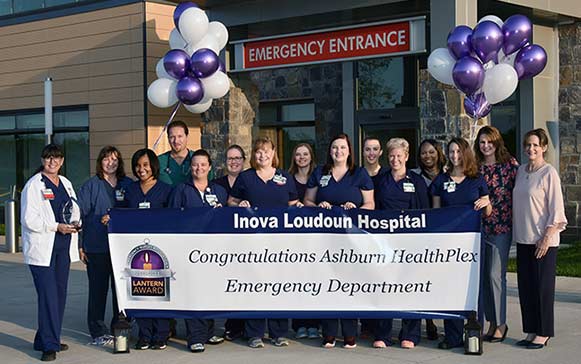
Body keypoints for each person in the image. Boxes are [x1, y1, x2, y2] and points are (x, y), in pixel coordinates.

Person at [228, 136, 300, 348]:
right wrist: (239, 203)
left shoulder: (284, 177)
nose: (263, 155)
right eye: (258, 151)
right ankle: (255, 333)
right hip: (253, 243)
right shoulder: (246, 177)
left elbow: (294, 203)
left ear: (273, 152)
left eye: (266, 151)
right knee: (255, 286)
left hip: (280, 243)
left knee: (278, 286)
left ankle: (278, 333)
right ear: (254, 155)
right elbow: (230, 201)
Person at [304, 133, 374, 349]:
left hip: (351, 241)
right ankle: (329, 333)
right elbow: (307, 200)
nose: (338, 151)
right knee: (328, 282)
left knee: (349, 284)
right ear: (330, 151)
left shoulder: (359, 173)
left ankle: (350, 333)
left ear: (349, 151)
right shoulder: (320, 172)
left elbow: (371, 203)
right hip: (326, 240)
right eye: (335, 148)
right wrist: (319, 206)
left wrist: (357, 210)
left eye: (342, 148)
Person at [430, 137, 492, 350]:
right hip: (448, 244)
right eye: (451, 152)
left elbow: (487, 211)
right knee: (450, 287)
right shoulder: (441, 180)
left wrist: (487, 202)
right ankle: (452, 335)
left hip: (472, 243)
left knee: (473, 286)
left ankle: (474, 330)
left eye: (458, 152)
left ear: (465, 153)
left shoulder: (477, 180)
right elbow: (436, 212)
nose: (455, 156)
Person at [21, 144, 80, 362]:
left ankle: (45, 337)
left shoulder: (65, 183)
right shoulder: (34, 185)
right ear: (42, 160)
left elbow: (74, 208)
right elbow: (28, 220)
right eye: (48, 158)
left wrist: (76, 222)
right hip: (42, 249)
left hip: (63, 247)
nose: (52, 162)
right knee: (48, 296)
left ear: (62, 161)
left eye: (56, 158)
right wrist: (56, 227)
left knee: (59, 295)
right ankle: (49, 345)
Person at [373, 138, 429, 349]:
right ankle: (383, 334)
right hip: (385, 243)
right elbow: (374, 210)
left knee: (410, 287)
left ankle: (410, 334)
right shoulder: (381, 180)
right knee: (385, 287)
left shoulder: (416, 181)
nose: (395, 159)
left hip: (411, 243)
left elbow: (425, 212)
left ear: (406, 156)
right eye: (392, 156)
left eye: (399, 156)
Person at [513, 128, 567, 349]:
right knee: (526, 288)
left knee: (542, 289)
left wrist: (546, 237)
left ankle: (544, 332)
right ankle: (532, 329)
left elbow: (557, 209)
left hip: (543, 240)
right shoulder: (521, 171)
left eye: (535, 145)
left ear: (544, 147)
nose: (531, 149)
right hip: (523, 239)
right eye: (528, 145)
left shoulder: (549, 173)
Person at [170, 149, 227, 353]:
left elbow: (227, 221)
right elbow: (173, 219)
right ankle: (195, 337)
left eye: (203, 164)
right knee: (193, 293)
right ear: (190, 167)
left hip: (212, 252)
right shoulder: (181, 190)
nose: (199, 168)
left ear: (209, 167)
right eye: (195, 164)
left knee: (209, 292)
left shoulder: (219, 191)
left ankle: (209, 332)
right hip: (189, 251)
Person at [77, 146, 133, 346]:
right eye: (107, 159)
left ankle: (120, 327)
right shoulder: (91, 185)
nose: (111, 163)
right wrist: (80, 245)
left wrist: (116, 216)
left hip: (122, 248)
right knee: (98, 290)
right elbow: (79, 216)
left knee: (121, 290)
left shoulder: (127, 185)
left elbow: (134, 211)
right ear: (100, 162)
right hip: (97, 246)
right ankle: (97, 330)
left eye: (115, 159)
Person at [124, 148, 173, 350]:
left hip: (160, 251)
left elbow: (173, 218)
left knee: (159, 292)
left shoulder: (166, 189)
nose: (141, 169)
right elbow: (123, 215)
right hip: (136, 251)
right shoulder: (131, 190)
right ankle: (144, 334)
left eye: (145, 165)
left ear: (153, 165)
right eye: (137, 165)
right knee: (140, 291)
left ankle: (161, 334)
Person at [474, 126, 519, 343]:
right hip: (480, 228)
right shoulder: (476, 168)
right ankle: (490, 323)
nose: (486, 146)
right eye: (482, 142)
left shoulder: (509, 165)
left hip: (501, 227)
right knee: (483, 278)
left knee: (495, 276)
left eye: (489, 141)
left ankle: (501, 324)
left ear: (497, 142)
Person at [411, 138, 446, 340]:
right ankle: (428, 322)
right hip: (421, 235)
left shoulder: (448, 175)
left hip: (446, 235)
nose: (427, 156)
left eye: (431, 152)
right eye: (424, 153)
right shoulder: (415, 177)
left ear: (438, 153)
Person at [287, 142, 319, 339]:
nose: (302, 157)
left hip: (315, 236)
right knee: (297, 281)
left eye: (305, 154)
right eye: (298, 154)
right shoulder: (287, 179)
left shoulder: (319, 177)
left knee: (314, 280)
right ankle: (299, 324)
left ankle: (314, 323)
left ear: (311, 156)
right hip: (294, 237)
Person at [158, 120, 195, 186]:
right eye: (172, 137)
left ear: (187, 137)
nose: (176, 141)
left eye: (180, 136)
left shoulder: (197, 159)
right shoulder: (160, 161)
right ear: (168, 138)